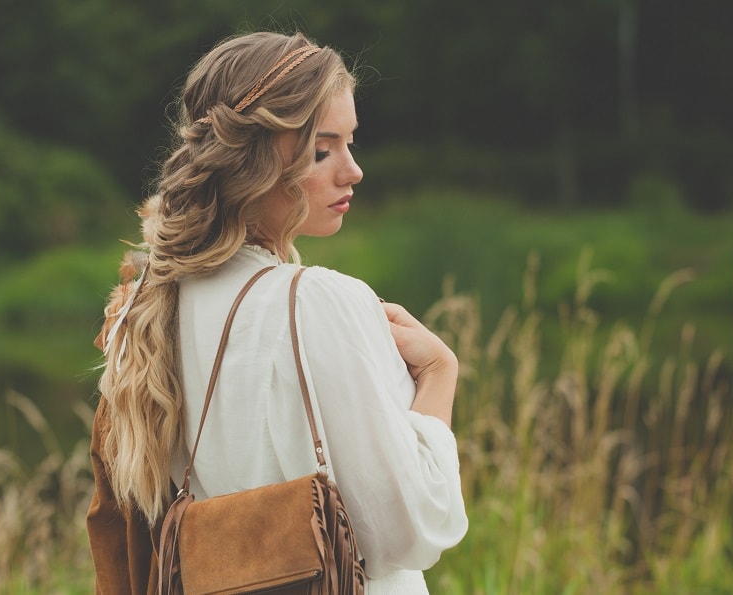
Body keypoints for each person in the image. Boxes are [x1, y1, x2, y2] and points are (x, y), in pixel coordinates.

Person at [86, 31, 468, 595]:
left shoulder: (144, 307)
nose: (352, 170)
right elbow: (415, 528)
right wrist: (439, 374)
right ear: (254, 159)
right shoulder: (315, 302)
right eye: (322, 149)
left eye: (350, 144)